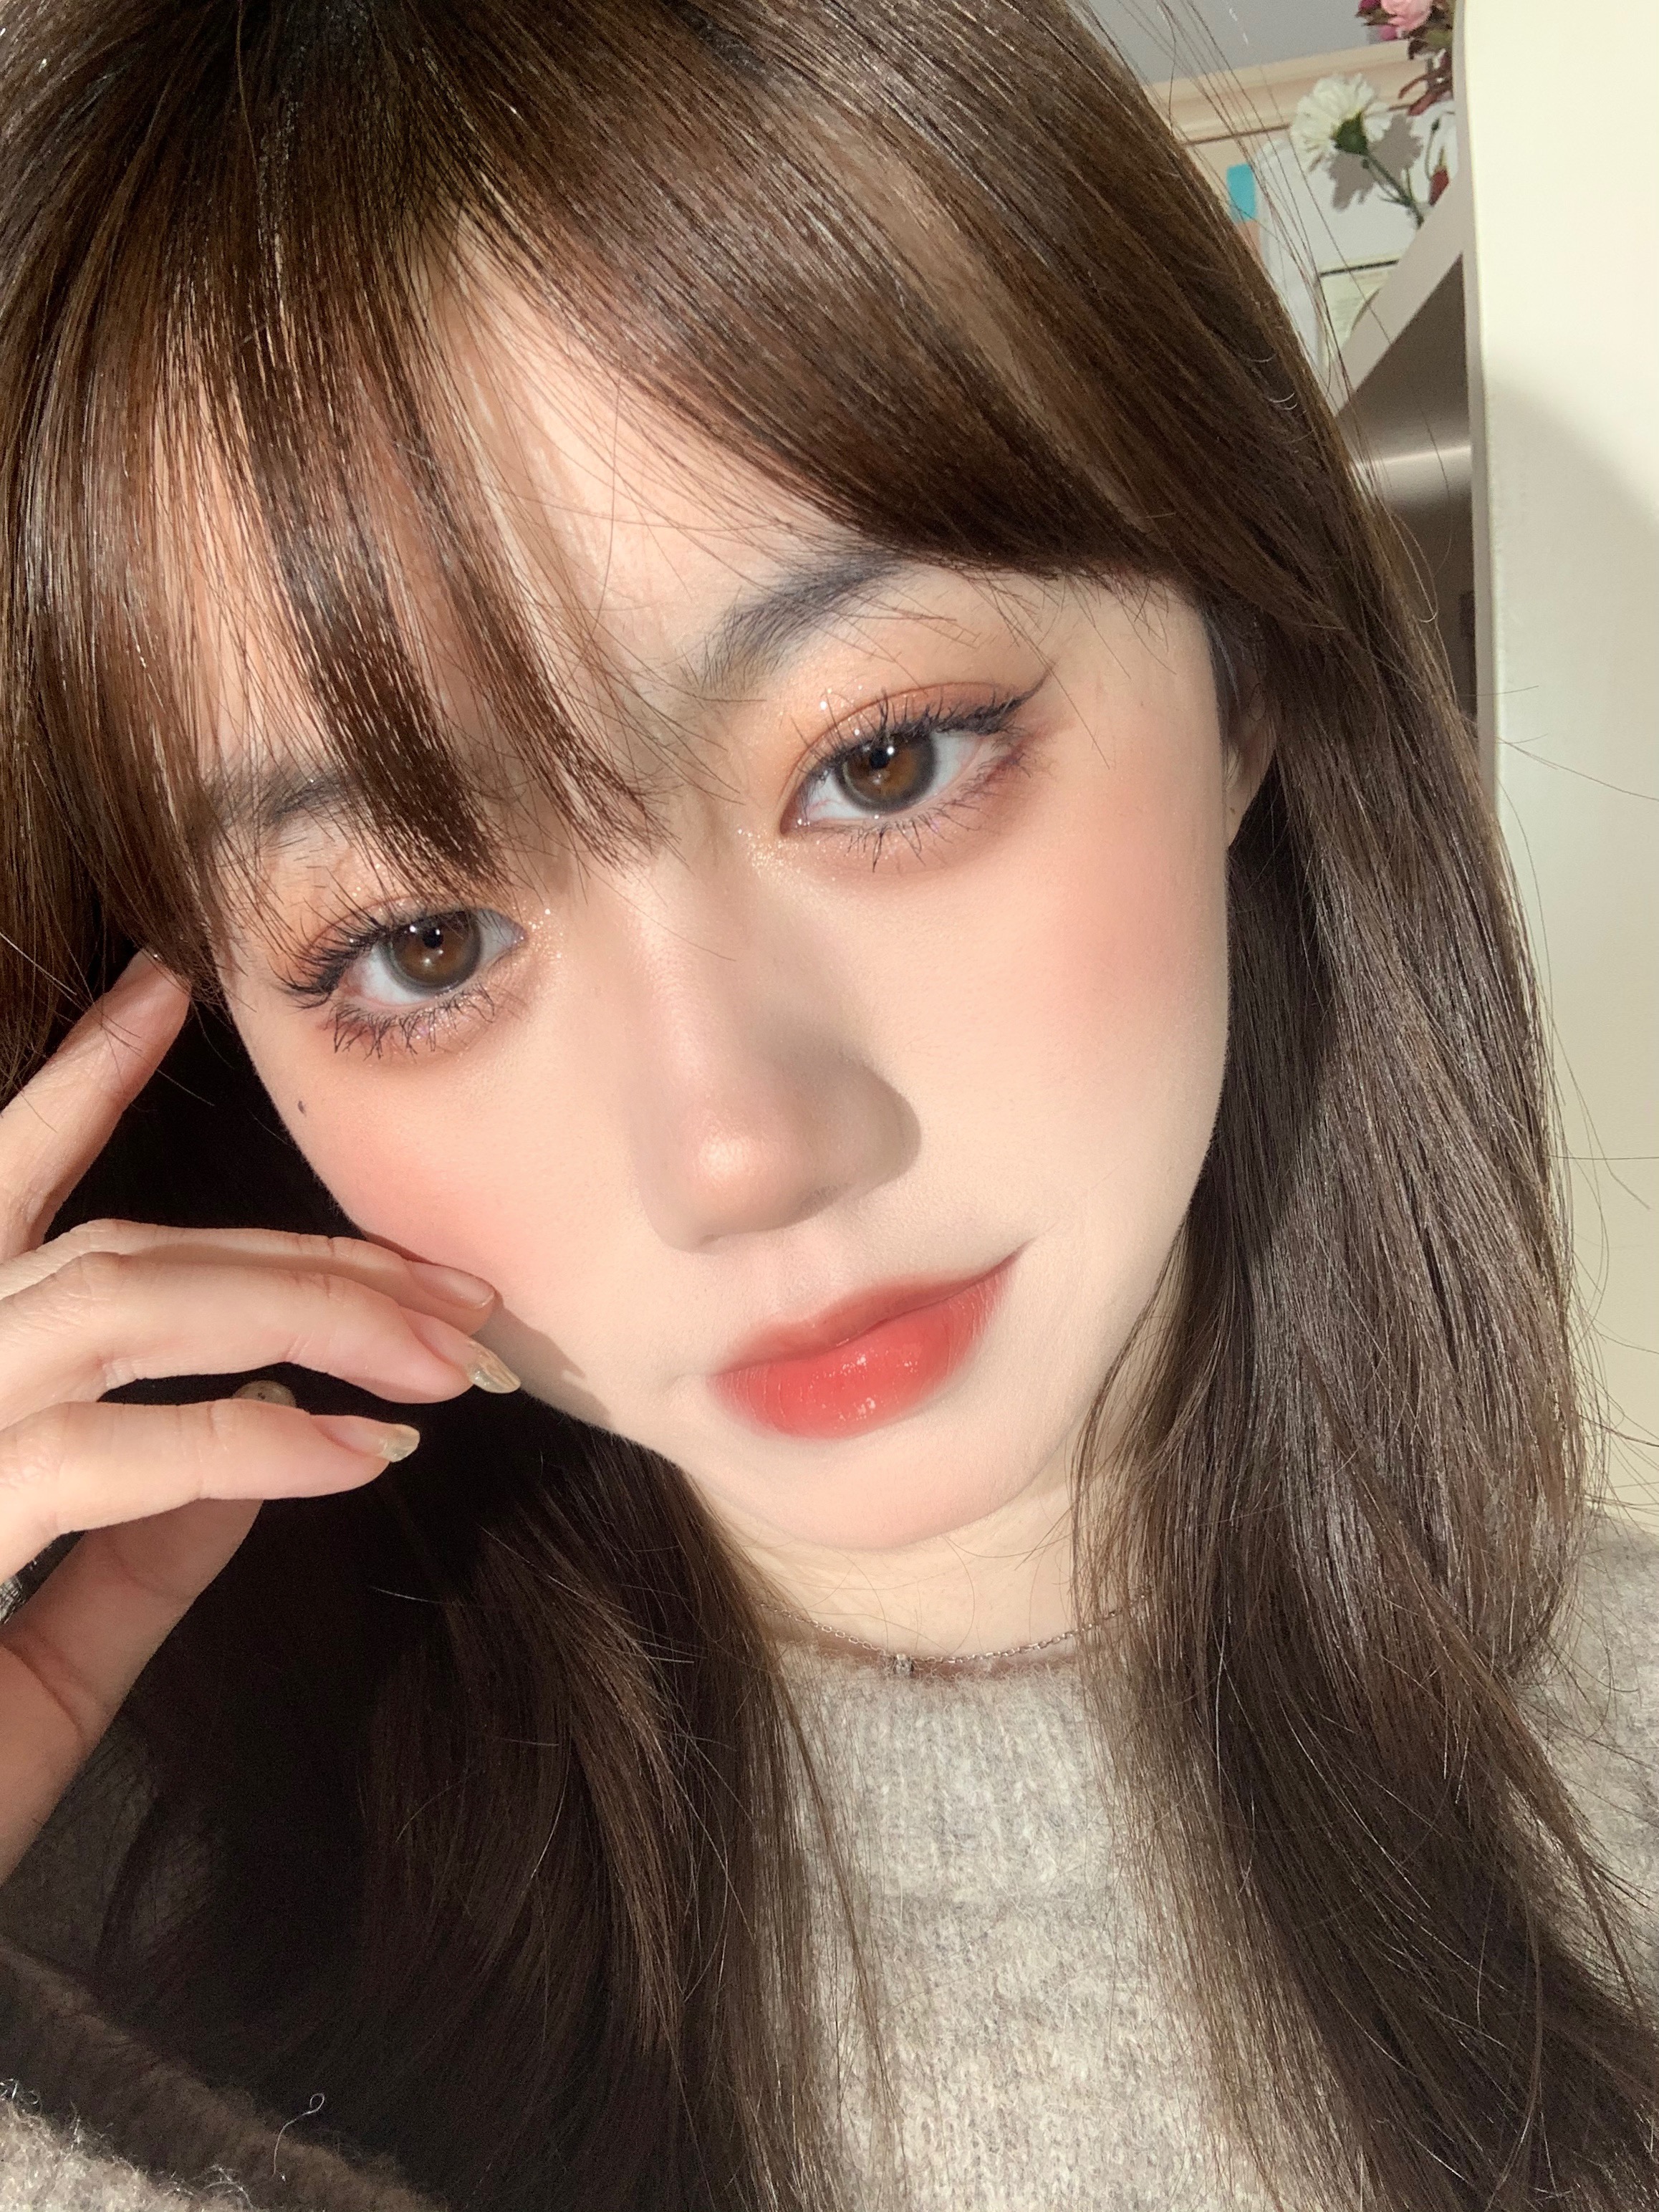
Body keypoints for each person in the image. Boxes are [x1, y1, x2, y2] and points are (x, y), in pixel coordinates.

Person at [0, 0, 1655, 2205]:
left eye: (881, 759)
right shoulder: (94, 1892)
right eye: (421, 943)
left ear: (1236, 672)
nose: (737, 1151)